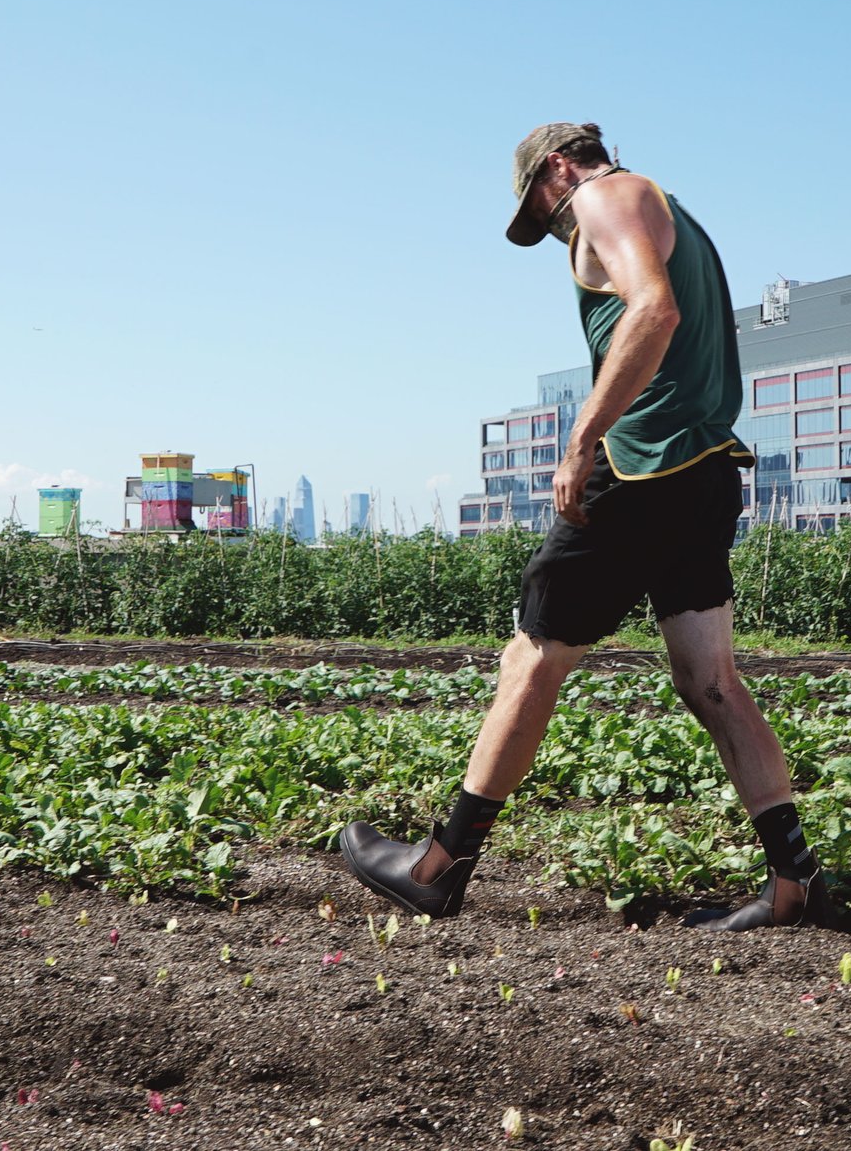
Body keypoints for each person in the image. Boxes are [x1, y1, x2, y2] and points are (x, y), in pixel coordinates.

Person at [338, 122, 826, 931]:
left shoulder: (607, 195)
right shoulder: (670, 210)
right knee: (709, 682)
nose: (552, 226)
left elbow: (654, 311)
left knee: (530, 657)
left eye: (539, 203)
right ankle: (793, 882)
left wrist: (583, 436)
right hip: (702, 471)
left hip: (638, 470)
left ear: (557, 168)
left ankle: (437, 866)